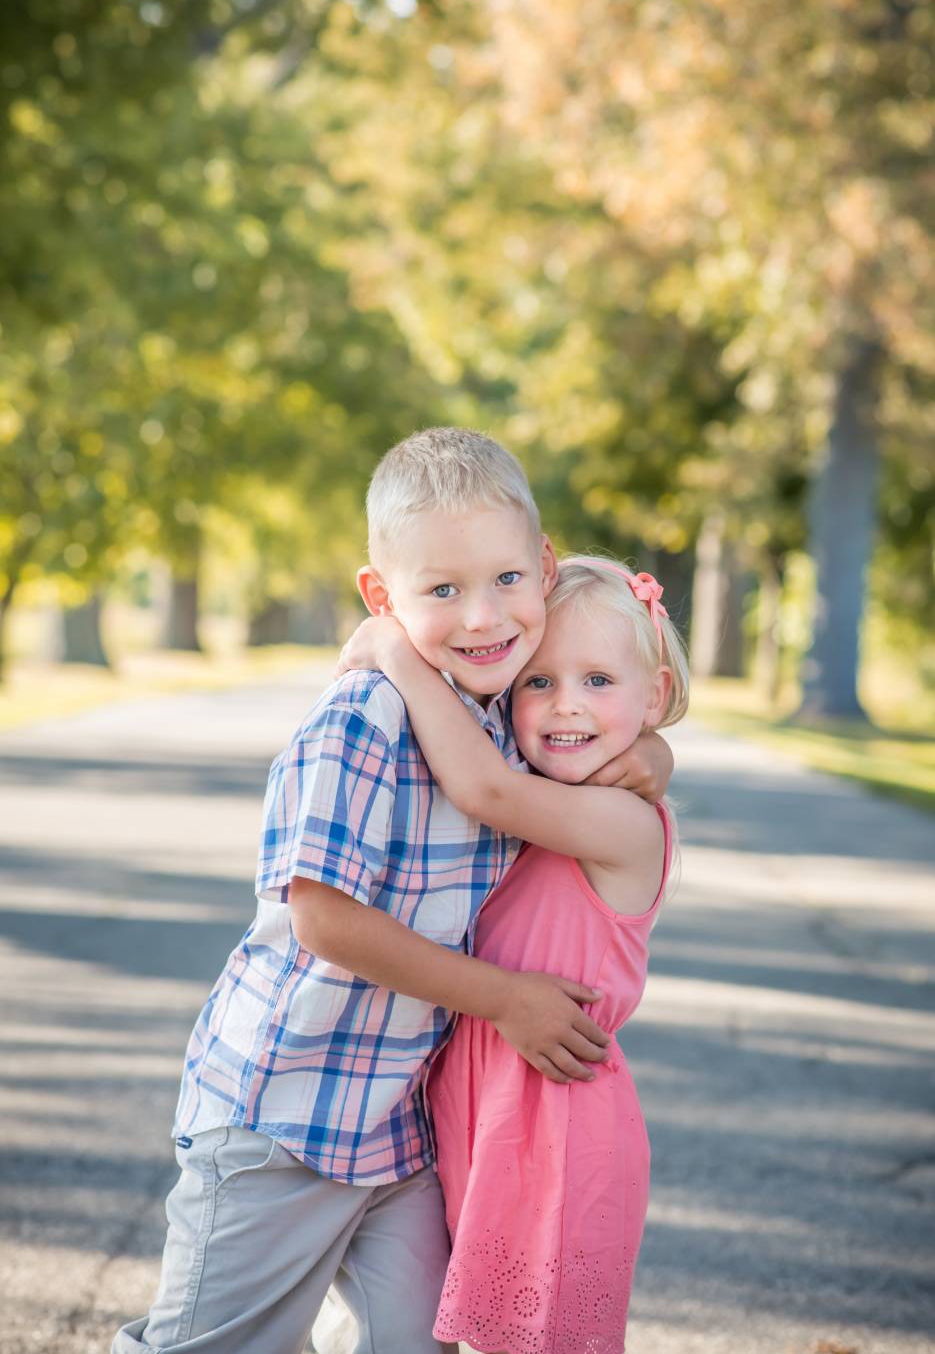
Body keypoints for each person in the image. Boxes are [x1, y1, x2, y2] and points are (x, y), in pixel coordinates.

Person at [112, 430, 674, 1354]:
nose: (480, 616)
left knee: (415, 1339)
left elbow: (580, 736)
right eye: (441, 590)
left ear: (541, 569)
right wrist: (505, 999)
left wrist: (650, 747)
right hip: (289, 1112)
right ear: (381, 597)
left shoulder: (508, 715)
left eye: (504, 579)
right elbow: (322, 921)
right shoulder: (363, 718)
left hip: (403, 1130)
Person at [337, 553, 689, 1354]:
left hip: (554, 1118)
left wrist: (395, 649)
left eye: (598, 680)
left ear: (654, 696)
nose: (566, 704)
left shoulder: (622, 821)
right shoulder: (549, 794)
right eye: (538, 681)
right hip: (474, 1100)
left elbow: (483, 789)